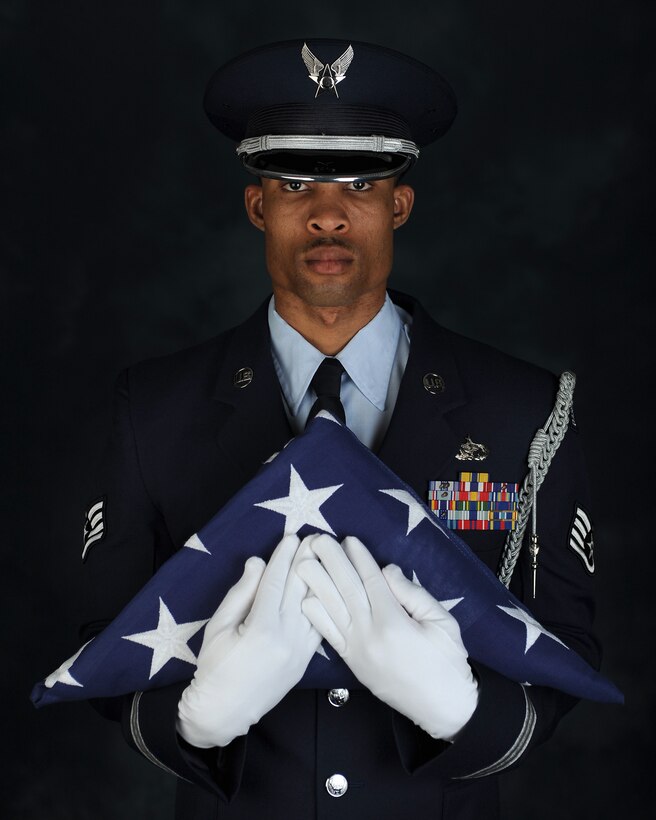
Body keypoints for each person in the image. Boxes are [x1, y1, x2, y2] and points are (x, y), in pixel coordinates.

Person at [80, 39, 599, 819]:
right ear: (258, 206)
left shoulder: (523, 410)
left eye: (362, 181)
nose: (328, 212)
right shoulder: (153, 408)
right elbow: (101, 641)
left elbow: (567, 649)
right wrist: (193, 721)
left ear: (401, 204)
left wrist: (464, 714)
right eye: (294, 183)